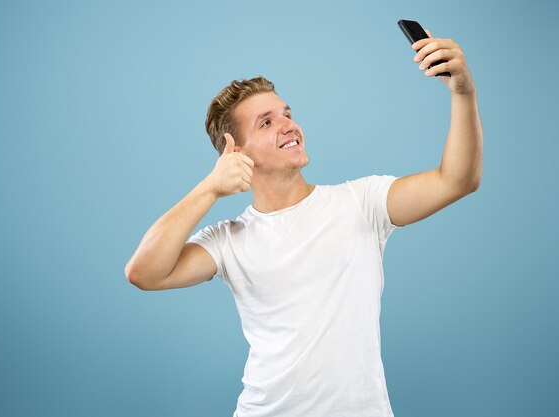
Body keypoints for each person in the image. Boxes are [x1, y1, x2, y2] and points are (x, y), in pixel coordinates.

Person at [125, 29, 483, 417]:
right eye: (266, 122)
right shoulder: (227, 241)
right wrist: (209, 188)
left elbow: (458, 179)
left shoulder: (360, 202)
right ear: (236, 151)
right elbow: (144, 273)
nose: (289, 125)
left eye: (288, 114)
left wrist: (463, 92)